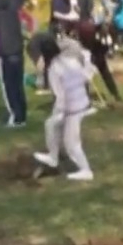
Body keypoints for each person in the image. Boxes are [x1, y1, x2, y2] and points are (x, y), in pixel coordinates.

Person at [33, 35, 97, 181]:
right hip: (83, 103)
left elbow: (60, 97)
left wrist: (58, 112)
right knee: (50, 125)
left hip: (72, 109)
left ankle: (86, 170)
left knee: (71, 143)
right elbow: (86, 76)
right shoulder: (71, 60)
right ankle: (53, 156)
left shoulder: (54, 70)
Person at [74, 19, 122, 103]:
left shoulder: (110, 34)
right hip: (90, 54)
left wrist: (112, 49)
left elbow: (112, 44)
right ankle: (85, 98)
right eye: (103, 32)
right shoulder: (90, 34)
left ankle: (116, 95)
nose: (105, 32)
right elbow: (86, 47)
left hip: (100, 55)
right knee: (86, 77)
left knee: (106, 75)